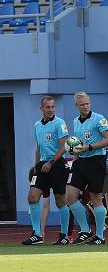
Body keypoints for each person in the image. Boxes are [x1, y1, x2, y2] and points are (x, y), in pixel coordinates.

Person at [65, 92, 108, 245]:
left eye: (87, 103)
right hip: (80, 161)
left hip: (96, 161)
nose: (85, 106)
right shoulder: (75, 121)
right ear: (76, 106)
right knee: (69, 196)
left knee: (95, 199)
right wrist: (75, 154)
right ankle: (85, 231)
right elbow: (78, 143)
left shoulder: (99, 119)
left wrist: (89, 147)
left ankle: (100, 236)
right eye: (82, 104)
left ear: (90, 103)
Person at [22, 96, 71, 245]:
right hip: (42, 165)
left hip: (56, 164)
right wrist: (36, 165)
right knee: (32, 197)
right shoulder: (37, 125)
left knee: (60, 201)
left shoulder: (60, 123)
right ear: (41, 109)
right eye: (47, 107)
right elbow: (39, 147)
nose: (50, 110)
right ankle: (37, 235)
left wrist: (51, 162)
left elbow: (64, 146)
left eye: (52, 107)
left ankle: (64, 236)